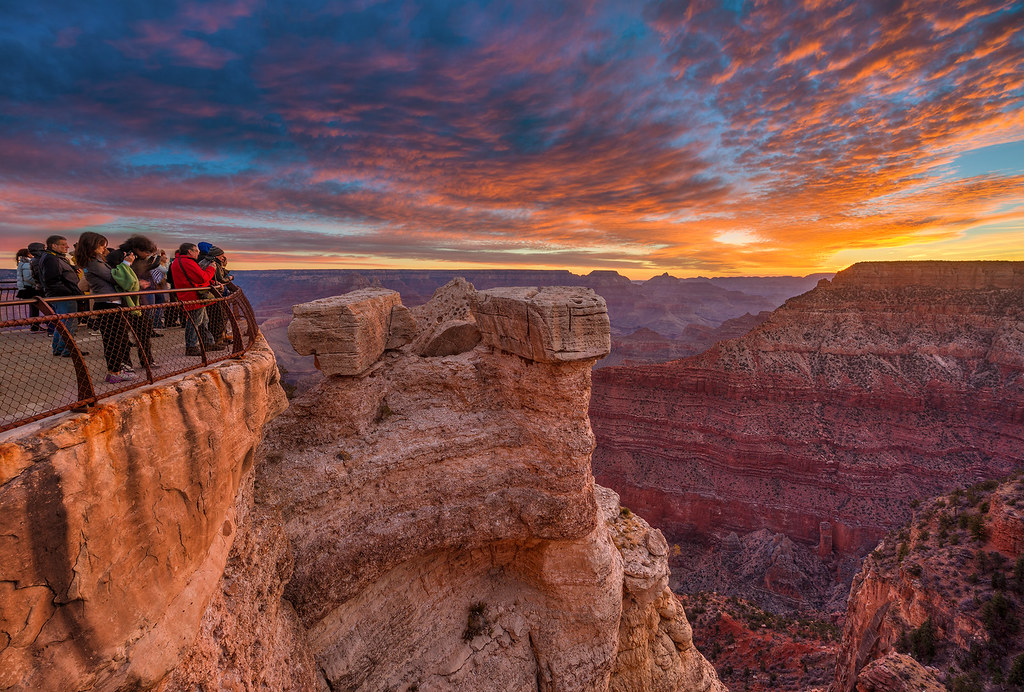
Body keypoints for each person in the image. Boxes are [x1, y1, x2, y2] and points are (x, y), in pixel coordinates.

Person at [75, 232, 134, 383]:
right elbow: (113, 277)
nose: (103, 248)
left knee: (117, 338)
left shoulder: (94, 262)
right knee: (113, 339)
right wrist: (126, 264)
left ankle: (117, 370)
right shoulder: (94, 263)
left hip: (109, 302)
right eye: (101, 245)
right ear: (92, 245)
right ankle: (114, 372)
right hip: (108, 303)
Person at [169, 243, 226, 356]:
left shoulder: (179, 262)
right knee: (194, 322)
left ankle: (208, 342)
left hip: (190, 295)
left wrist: (213, 283)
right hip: (193, 297)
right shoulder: (187, 263)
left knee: (203, 321)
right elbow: (202, 277)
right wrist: (211, 268)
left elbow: (196, 278)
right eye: (195, 250)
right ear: (189, 251)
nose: (198, 253)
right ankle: (191, 346)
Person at [39, 235, 87, 357]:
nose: (67, 247)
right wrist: (69, 291)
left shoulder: (54, 258)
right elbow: (52, 280)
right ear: (54, 246)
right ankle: (67, 349)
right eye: (63, 245)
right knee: (69, 322)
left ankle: (59, 348)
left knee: (63, 322)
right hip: (64, 296)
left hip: (61, 295)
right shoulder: (51, 259)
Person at [109, 248, 155, 369]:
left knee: (143, 335)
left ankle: (146, 360)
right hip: (124, 305)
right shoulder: (118, 270)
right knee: (122, 339)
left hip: (135, 306)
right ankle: (127, 365)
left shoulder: (131, 268)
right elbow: (130, 284)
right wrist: (126, 264)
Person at [15, 248, 42, 331]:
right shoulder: (27, 264)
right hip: (31, 289)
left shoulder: (22, 263)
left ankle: (35, 326)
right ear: (27, 254)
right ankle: (35, 327)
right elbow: (28, 278)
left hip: (27, 289)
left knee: (34, 308)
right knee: (37, 308)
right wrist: (38, 283)